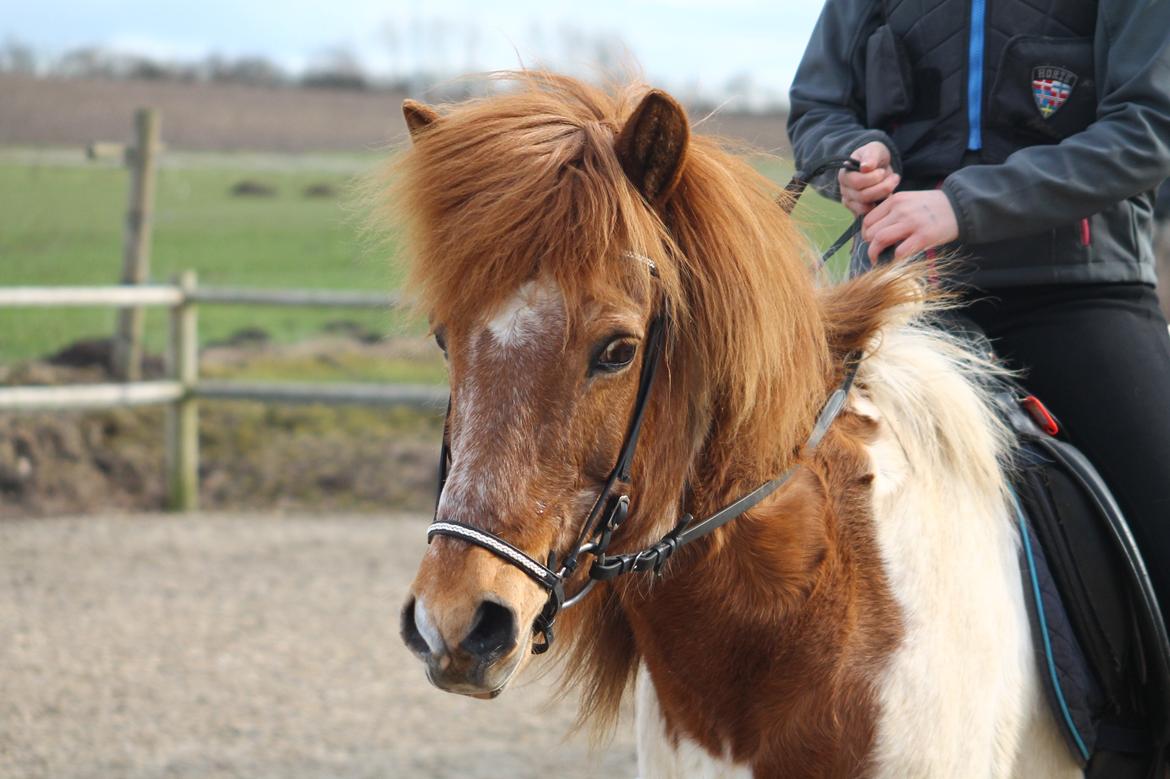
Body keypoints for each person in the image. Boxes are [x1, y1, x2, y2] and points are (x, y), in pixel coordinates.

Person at [787, 0, 1170, 620]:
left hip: (1079, 291)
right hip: (902, 295)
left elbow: (1148, 130)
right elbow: (817, 107)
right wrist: (848, 157)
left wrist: (961, 207)